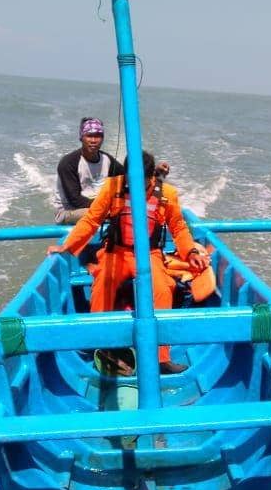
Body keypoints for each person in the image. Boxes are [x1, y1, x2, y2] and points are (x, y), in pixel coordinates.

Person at [49, 152, 210, 375]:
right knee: (102, 286)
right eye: (130, 180)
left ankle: (161, 358)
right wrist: (67, 247)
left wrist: (190, 250)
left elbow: (179, 228)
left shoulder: (167, 194)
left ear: (150, 176)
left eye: (140, 181)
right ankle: (102, 346)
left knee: (163, 290)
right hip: (116, 252)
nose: (133, 186)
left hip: (150, 254)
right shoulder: (112, 187)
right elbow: (91, 220)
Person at [53, 117, 122, 225]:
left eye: (98, 136)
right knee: (102, 213)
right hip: (69, 211)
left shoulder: (107, 159)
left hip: (99, 207)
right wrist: (107, 207)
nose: (93, 140)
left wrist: (154, 171)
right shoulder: (68, 163)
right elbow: (75, 201)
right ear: (81, 137)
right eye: (89, 136)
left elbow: (128, 175)